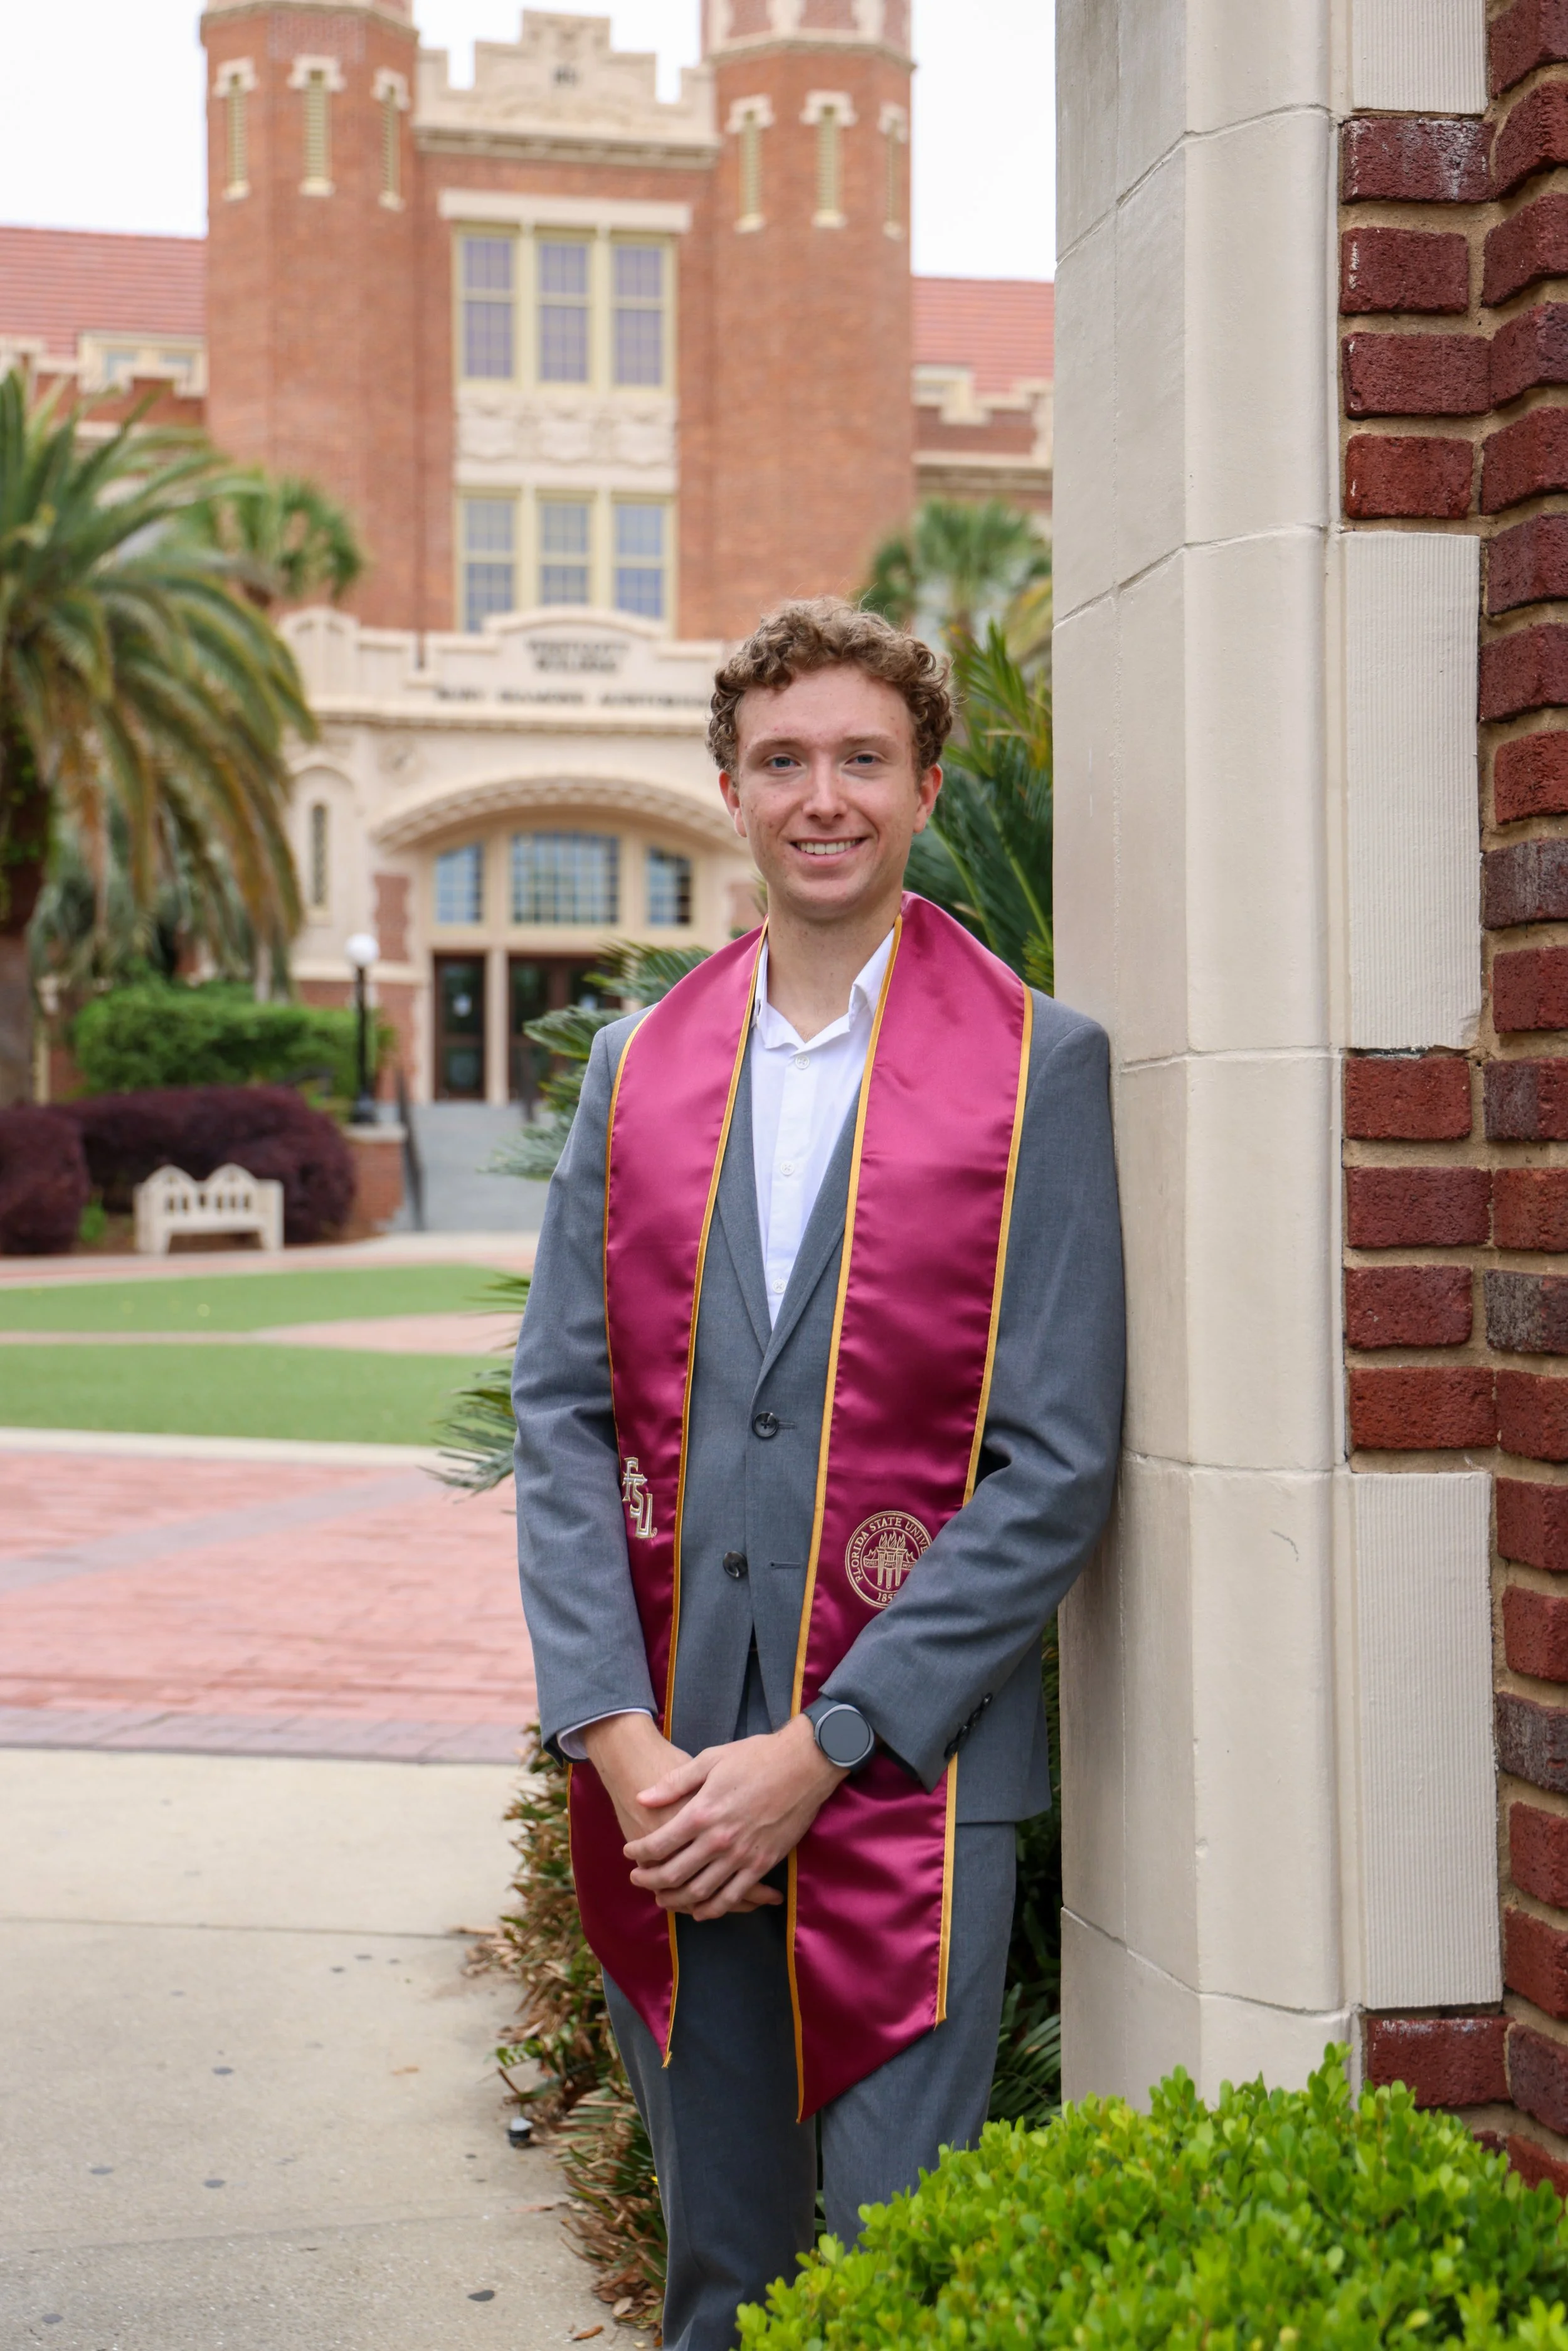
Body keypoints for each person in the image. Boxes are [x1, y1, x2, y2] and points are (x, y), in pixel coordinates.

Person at [512, 597, 1124, 2351]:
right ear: (729, 788)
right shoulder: (639, 1068)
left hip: (902, 1780)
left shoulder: (1034, 1066)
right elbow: (561, 1411)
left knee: (894, 2270)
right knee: (716, 2271)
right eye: (782, 760)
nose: (822, 796)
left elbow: (1052, 1464)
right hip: (668, 1783)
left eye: (862, 757)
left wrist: (826, 1746)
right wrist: (613, 1733)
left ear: (926, 782)